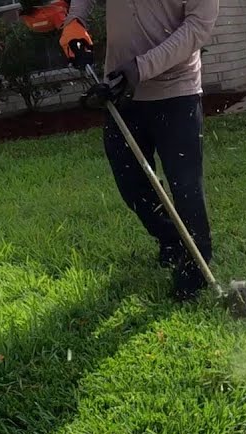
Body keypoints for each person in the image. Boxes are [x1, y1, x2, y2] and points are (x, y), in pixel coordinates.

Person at [61, 0, 219, 301]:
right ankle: (171, 240)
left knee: (185, 187)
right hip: (121, 90)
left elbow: (197, 28)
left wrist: (141, 68)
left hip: (176, 93)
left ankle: (195, 268)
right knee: (132, 184)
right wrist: (74, 20)